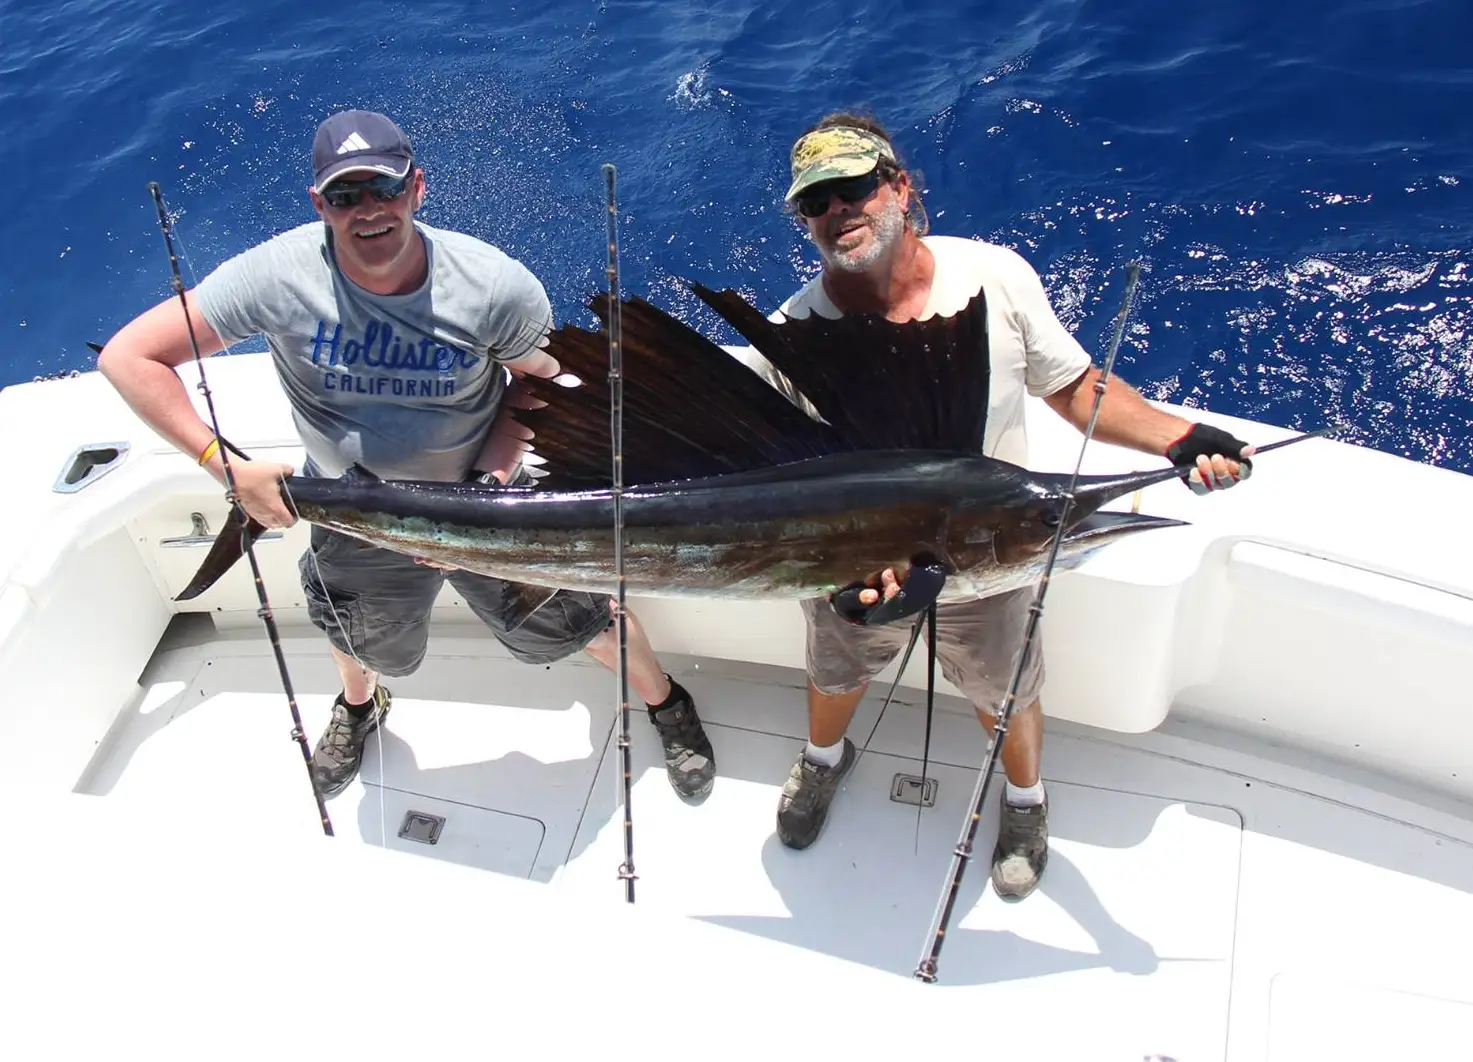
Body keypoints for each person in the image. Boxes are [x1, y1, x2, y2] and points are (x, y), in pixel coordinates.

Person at [97, 109, 716, 802]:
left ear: (417, 188)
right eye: (345, 195)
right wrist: (226, 466)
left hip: (490, 507)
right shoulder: (273, 275)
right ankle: (359, 707)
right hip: (353, 512)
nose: (368, 209)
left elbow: (542, 388)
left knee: (583, 620)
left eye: (385, 188)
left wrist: (488, 483)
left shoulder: (493, 285)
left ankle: (664, 700)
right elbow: (130, 357)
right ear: (319, 204)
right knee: (354, 632)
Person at [739, 113, 1254, 900]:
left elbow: (1072, 387)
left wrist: (1174, 436)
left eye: (854, 188)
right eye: (816, 202)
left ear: (898, 187)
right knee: (836, 670)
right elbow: (761, 480)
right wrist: (844, 584)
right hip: (854, 564)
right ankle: (822, 760)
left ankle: (1023, 799)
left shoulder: (992, 277)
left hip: (995, 548)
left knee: (1002, 689)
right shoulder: (791, 336)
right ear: (804, 221)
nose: (837, 210)